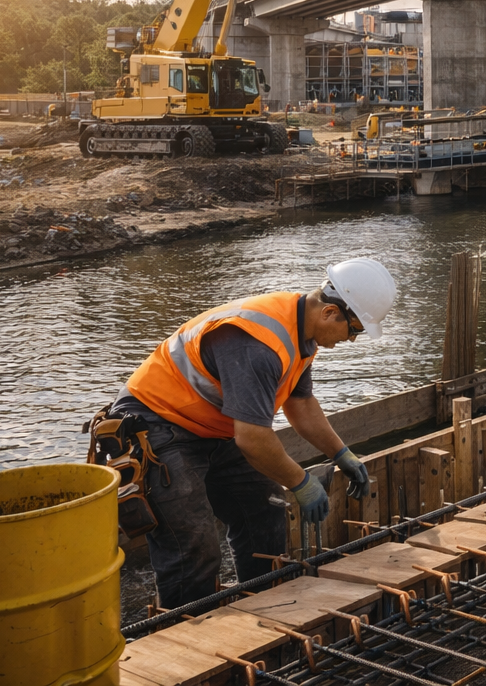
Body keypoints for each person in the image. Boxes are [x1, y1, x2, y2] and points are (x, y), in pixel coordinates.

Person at [98, 259, 397, 610]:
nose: (352, 339)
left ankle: (261, 605)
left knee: (265, 510)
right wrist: (301, 482)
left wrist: (341, 454)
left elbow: (300, 404)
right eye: (355, 330)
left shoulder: (301, 334)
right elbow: (253, 439)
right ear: (331, 312)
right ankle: (186, 634)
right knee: (192, 542)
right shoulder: (259, 343)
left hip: (212, 427)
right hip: (157, 424)